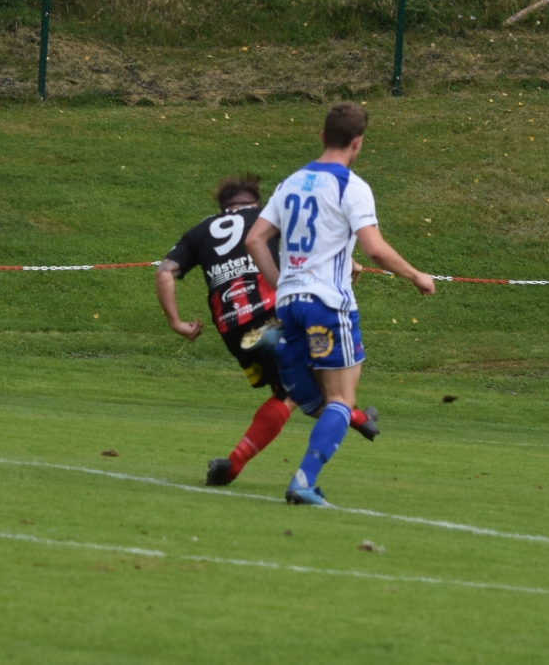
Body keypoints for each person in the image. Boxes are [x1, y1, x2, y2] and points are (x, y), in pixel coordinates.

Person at [246, 103, 435, 506]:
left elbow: (255, 239)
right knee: (342, 401)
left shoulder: (291, 182)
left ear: (322, 136)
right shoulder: (352, 186)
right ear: (358, 143)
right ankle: (303, 482)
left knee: (319, 399)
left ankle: (282, 349)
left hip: (290, 303)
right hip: (327, 304)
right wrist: (416, 275)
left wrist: (283, 284)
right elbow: (375, 248)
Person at [155, 174, 378, 488]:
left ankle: (356, 418)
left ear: (223, 207)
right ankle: (353, 418)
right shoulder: (264, 217)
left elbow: (164, 273)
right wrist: (348, 260)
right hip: (274, 312)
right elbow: (310, 241)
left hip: (233, 327)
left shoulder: (198, 232)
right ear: (254, 202)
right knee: (312, 393)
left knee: (286, 391)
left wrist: (176, 323)